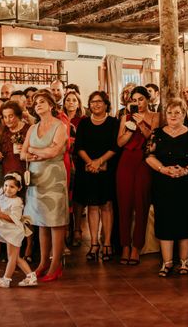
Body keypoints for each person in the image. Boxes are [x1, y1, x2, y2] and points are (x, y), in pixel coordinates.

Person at [145, 99, 188, 276]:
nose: (173, 116)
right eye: (170, 112)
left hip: (186, 183)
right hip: (163, 182)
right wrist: (164, 169)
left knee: (186, 219)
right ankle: (167, 262)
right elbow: (148, 156)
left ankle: (184, 262)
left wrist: (185, 170)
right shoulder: (157, 134)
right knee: (165, 220)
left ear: (184, 114)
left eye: (177, 112)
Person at [21, 90, 68, 281]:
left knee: (55, 221)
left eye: (42, 101)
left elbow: (54, 151)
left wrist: (32, 150)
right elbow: (22, 154)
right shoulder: (32, 128)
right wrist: (34, 152)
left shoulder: (60, 126)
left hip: (54, 176)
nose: (38, 105)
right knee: (41, 222)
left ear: (51, 105)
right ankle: (42, 263)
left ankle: (56, 265)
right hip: (36, 177)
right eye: (35, 102)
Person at [73, 91, 119, 262]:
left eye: (99, 102)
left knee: (106, 206)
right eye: (92, 102)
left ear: (106, 104)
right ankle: (93, 243)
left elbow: (115, 146)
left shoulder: (114, 122)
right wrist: (90, 163)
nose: (96, 105)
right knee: (92, 206)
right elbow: (79, 146)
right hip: (88, 169)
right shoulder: (84, 123)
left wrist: (99, 162)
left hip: (107, 168)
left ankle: (106, 242)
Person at [116, 86, 158, 265]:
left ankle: (136, 247)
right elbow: (119, 143)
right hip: (126, 161)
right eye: (134, 100)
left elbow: (153, 140)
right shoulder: (125, 118)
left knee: (141, 204)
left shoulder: (156, 116)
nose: (137, 103)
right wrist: (130, 129)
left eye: (141, 99)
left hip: (144, 160)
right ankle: (125, 245)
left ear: (148, 100)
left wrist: (141, 123)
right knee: (124, 204)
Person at [0, 101, 33, 260]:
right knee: (9, 211)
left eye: (11, 116)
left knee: (26, 211)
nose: (8, 120)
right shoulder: (4, 131)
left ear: (18, 115)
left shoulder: (27, 129)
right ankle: (11, 249)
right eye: (5, 117)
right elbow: (2, 150)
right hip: (8, 172)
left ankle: (29, 247)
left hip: (24, 171)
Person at [0, 173, 37, 288]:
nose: (8, 189)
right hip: (9, 231)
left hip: (14, 231)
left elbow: (14, 219)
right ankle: (31, 276)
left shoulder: (17, 202)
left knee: (12, 257)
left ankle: (6, 279)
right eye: (6, 185)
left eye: (12, 187)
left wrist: (0, 215)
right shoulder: (3, 195)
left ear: (19, 188)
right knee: (15, 257)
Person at [63, 90, 84, 246]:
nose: (70, 102)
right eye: (68, 100)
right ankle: (65, 230)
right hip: (63, 160)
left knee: (77, 197)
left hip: (78, 160)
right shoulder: (59, 119)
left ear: (78, 103)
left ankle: (77, 229)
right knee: (64, 197)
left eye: (73, 100)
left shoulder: (82, 120)